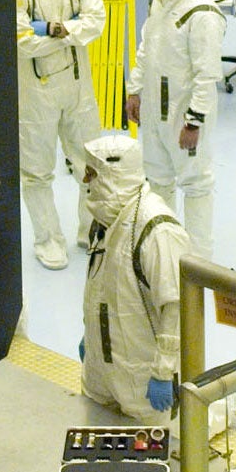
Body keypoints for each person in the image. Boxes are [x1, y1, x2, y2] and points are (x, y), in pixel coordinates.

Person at [77, 133, 186, 429]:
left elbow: (175, 307)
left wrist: (163, 373)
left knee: (146, 459)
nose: (85, 181)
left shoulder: (157, 230)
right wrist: (90, 337)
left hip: (142, 378)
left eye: (92, 173)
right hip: (101, 368)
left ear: (112, 174)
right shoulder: (106, 218)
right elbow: (99, 284)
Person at [15, 0, 106, 269]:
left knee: (90, 164)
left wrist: (53, 31)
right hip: (34, 95)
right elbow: (21, 42)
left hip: (77, 87)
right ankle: (48, 239)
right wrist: (68, 31)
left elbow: (96, 21)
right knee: (37, 171)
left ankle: (90, 230)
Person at [126, 0, 225, 255]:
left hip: (184, 113)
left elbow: (207, 76)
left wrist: (193, 122)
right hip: (155, 109)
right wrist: (135, 89)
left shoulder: (202, 13)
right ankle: (165, 251)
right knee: (157, 179)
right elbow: (147, 45)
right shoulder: (160, 0)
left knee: (196, 184)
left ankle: (199, 259)